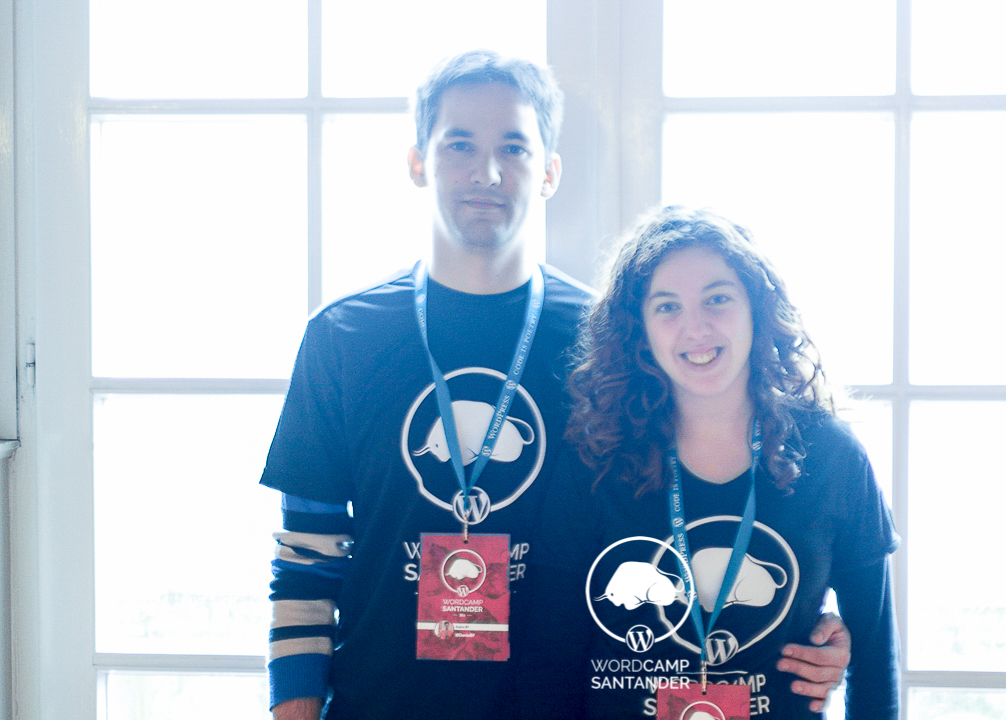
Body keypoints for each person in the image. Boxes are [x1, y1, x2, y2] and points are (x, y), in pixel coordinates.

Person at [260, 51, 854, 720]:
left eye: (514, 148)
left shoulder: (612, 340)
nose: (487, 172)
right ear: (418, 162)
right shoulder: (343, 337)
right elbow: (306, 559)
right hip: (379, 704)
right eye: (460, 144)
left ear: (549, 173)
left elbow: (696, 503)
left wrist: (811, 620)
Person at [533, 206, 900, 718]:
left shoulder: (832, 457)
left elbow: (876, 667)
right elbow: (550, 662)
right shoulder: (596, 459)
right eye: (667, 307)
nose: (696, 327)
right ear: (640, 328)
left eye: (717, 299)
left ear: (756, 308)